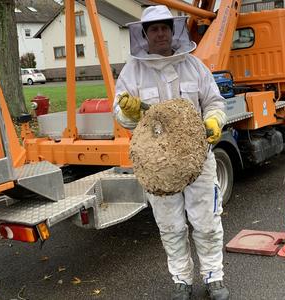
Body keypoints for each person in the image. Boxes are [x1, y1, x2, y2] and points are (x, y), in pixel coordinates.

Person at [113, 5, 229, 300]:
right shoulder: (132, 71)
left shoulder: (194, 66)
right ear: (145, 34)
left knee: (206, 221)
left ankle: (214, 276)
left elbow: (214, 102)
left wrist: (214, 120)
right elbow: (123, 115)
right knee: (171, 226)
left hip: (198, 160)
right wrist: (128, 112)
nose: (160, 33)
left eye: (165, 27)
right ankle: (181, 280)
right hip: (158, 169)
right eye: (154, 29)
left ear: (173, 30)